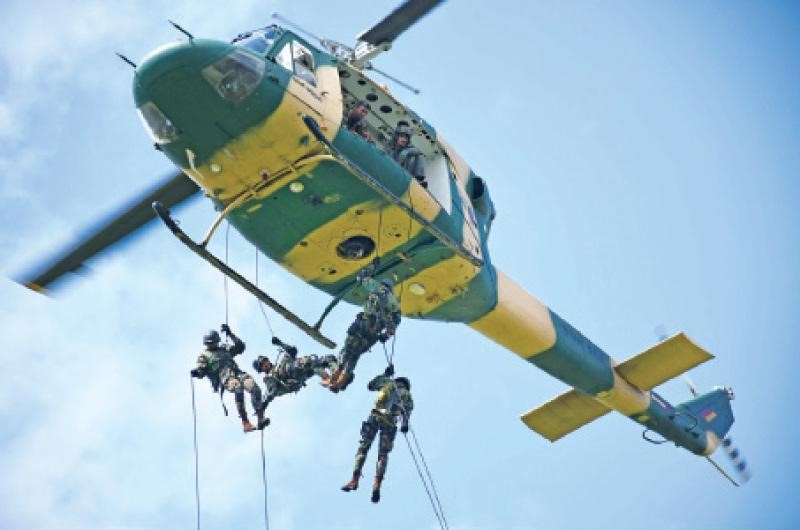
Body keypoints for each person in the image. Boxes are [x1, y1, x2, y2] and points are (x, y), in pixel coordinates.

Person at [340, 366, 413, 503]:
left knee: (363, 448)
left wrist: (385, 374)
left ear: (397, 380)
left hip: (376, 416)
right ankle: (377, 485)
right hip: (390, 422)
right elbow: (406, 413)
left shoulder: (388, 383)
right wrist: (404, 426)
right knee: (383, 455)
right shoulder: (407, 395)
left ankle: (354, 479)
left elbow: (370, 386)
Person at [324, 265, 401, 391]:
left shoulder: (378, 288)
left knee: (347, 351)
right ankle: (339, 383)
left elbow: (361, 277)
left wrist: (372, 267)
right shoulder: (395, 305)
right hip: (373, 333)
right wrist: (385, 336)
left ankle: (334, 379)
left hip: (363, 324)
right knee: (354, 357)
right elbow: (395, 323)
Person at [190, 324, 269, 432]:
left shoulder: (224, 348)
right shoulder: (204, 356)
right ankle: (246, 422)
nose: (212, 345)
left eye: (214, 342)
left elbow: (240, 347)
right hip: (226, 377)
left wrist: (230, 333)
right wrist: (197, 373)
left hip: (238, 373)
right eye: (210, 343)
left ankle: (261, 418)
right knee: (238, 389)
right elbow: (202, 371)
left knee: (255, 389)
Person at [252, 336, 338, 412]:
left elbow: (292, 351)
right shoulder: (269, 378)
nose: (265, 364)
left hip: (303, 372)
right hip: (293, 375)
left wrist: (279, 343)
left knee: (327, 359)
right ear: (261, 369)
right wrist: (265, 403)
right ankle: (329, 379)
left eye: (265, 361)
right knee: (307, 362)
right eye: (262, 365)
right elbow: (273, 391)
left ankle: (334, 376)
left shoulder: (280, 362)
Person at [390, 121, 428, 188]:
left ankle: (418, 180)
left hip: (406, 172)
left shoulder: (409, 147)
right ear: (397, 137)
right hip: (393, 171)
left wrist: (406, 151)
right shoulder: (391, 146)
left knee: (419, 155)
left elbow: (418, 151)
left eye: (406, 138)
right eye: (402, 137)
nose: (404, 139)